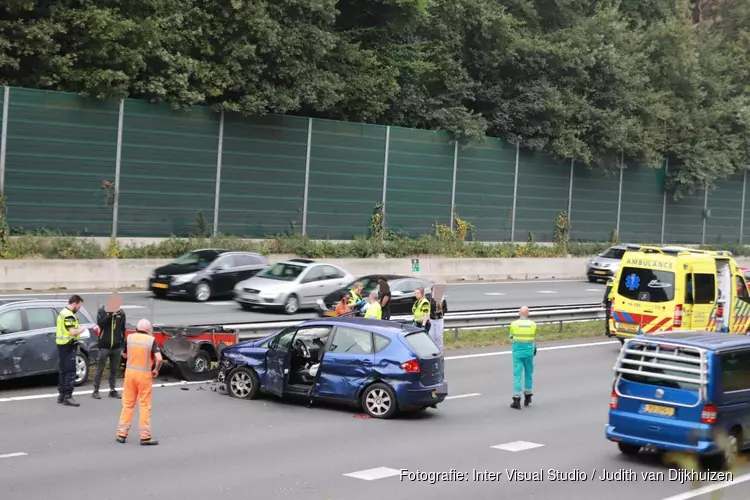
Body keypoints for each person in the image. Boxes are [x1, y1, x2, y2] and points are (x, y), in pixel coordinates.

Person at [117, 319, 163, 446]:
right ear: (148, 330)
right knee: (144, 405)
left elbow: (124, 355)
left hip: (130, 374)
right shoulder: (150, 340)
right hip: (144, 375)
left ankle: (121, 434)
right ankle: (145, 437)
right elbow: (159, 359)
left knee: (127, 404)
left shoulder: (130, 338)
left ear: (137, 328)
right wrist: (156, 370)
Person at [93, 295, 127, 399]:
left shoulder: (121, 313)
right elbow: (101, 324)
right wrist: (109, 315)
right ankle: (96, 391)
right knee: (100, 368)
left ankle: (112, 390)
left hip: (116, 347)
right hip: (104, 346)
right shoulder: (102, 311)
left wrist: (122, 344)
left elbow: (123, 329)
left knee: (114, 369)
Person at [56, 294, 88, 407]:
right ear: (75, 303)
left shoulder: (63, 312)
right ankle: (68, 396)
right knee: (70, 371)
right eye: (79, 306)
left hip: (61, 344)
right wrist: (82, 329)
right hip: (68, 345)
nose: (79, 309)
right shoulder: (69, 315)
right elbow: (72, 332)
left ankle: (61, 395)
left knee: (63, 370)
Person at [509, 306, 536, 410]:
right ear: (528, 314)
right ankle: (528, 396)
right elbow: (533, 337)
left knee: (517, 375)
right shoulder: (533, 324)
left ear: (519, 314)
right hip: (529, 353)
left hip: (518, 353)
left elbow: (511, 337)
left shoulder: (514, 324)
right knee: (529, 374)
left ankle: (516, 399)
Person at [429, 283, 447, 350]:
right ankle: (433, 350)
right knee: (431, 336)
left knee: (438, 337)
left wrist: (441, 312)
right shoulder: (429, 299)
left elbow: (445, 309)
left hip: (439, 320)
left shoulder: (442, 299)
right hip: (431, 320)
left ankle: (440, 351)